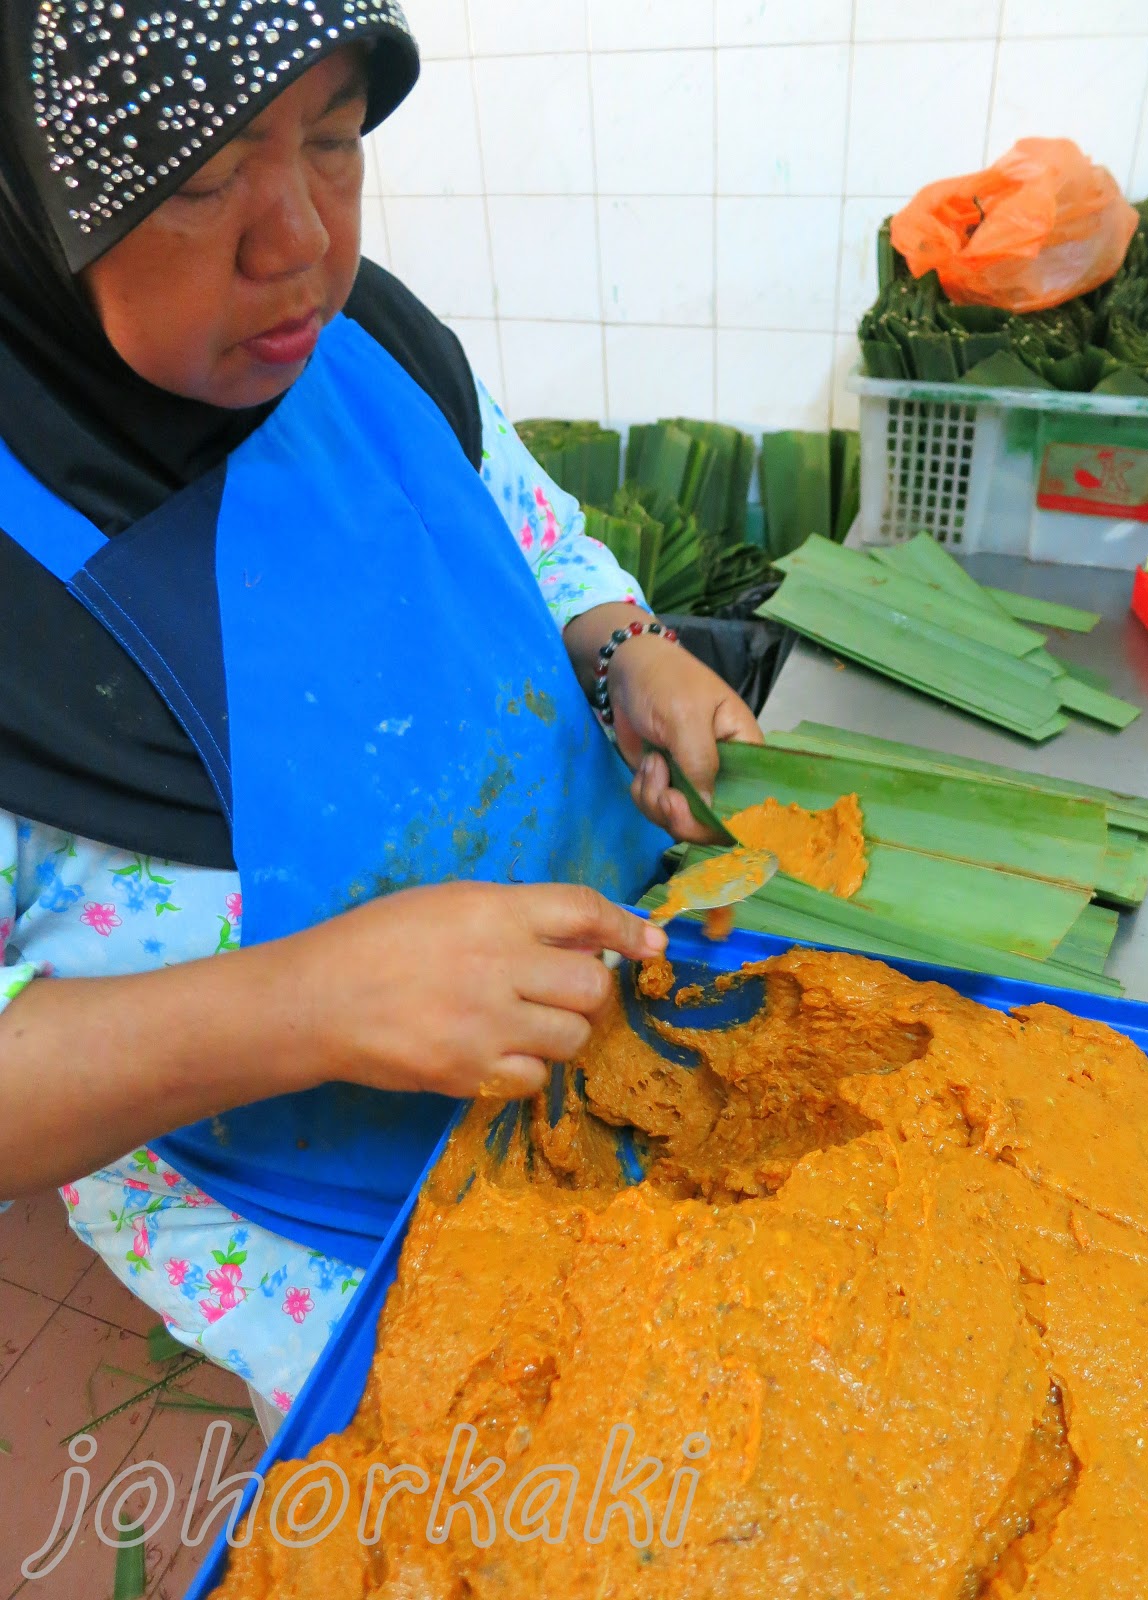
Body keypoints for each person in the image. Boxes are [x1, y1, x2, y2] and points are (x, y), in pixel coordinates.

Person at [0, 0, 762, 1414]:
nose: (300, 243)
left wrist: (624, 651)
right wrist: (304, 1004)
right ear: (38, 199)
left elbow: (531, 533)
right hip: (332, 1245)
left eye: (336, 139)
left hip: (638, 1053)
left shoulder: (363, 343)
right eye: (200, 180)